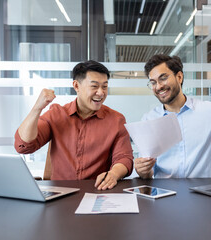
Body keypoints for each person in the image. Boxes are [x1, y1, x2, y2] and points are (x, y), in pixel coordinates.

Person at [14, 60, 133, 190]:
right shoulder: (56, 114)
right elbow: (24, 146)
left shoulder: (116, 120)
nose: (101, 93)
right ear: (76, 86)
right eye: (94, 86)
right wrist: (37, 108)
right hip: (60, 194)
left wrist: (113, 174)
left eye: (104, 86)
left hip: (97, 191)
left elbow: (124, 157)